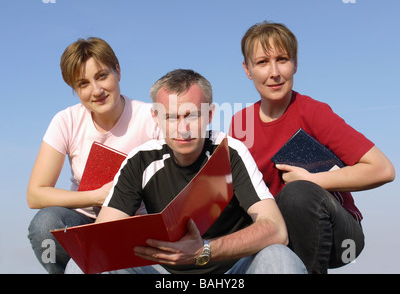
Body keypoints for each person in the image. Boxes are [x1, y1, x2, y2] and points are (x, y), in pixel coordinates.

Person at [65, 68, 306, 274]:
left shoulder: (230, 151)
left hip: (232, 272)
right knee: (82, 263)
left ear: (210, 115)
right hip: (165, 274)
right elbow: (101, 238)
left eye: (192, 115)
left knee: (279, 257)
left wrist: (204, 250)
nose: (183, 129)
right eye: (170, 117)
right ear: (156, 117)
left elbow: (276, 229)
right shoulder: (140, 160)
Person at [229, 21, 396, 273]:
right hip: (277, 234)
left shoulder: (312, 112)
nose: (274, 72)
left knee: (298, 193)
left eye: (282, 59)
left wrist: (313, 180)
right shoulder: (240, 123)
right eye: (262, 62)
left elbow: (382, 169)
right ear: (247, 69)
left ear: (295, 63)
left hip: (337, 233)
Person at [27, 37, 159, 274]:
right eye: (83, 84)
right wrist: (96, 196)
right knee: (45, 224)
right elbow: (36, 194)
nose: (96, 91)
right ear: (75, 90)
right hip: (84, 220)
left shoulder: (151, 118)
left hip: (134, 224)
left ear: (117, 71)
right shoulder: (66, 121)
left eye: (101, 76)